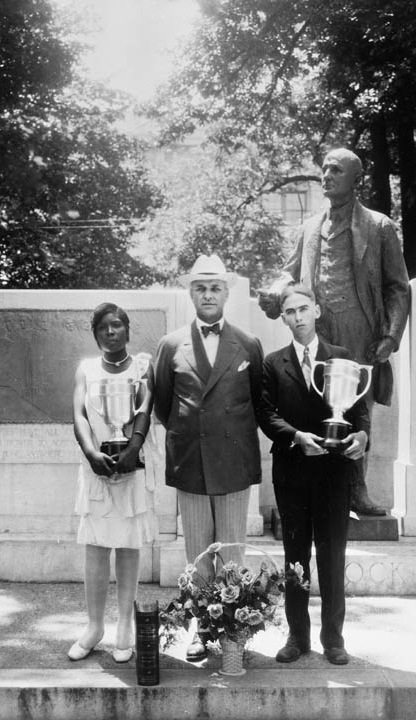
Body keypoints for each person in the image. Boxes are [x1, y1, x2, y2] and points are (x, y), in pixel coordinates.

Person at [258, 147, 410, 516]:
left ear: (356, 180)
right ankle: (311, 489)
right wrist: (277, 290)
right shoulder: (309, 227)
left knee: (357, 412)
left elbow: (397, 287)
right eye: (324, 169)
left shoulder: (378, 226)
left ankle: (356, 491)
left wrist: (390, 337)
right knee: (309, 405)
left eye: (336, 170)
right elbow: (289, 271)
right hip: (316, 329)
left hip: (360, 329)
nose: (326, 175)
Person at [152, 253, 264, 661]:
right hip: (192, 464)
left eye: (215, 287)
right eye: (200, 287)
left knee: (232, 556)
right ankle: (201, 630)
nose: (208, 294)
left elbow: (257, 402)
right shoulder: (170, 345)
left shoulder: (248, 344)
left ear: (226, 292)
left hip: (234, 464)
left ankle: (233, 633)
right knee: (198, 557)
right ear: (190, 293)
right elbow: (164, 406)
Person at [257, 283, 369, 666]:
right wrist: (295, 437)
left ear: (317, 311)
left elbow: (359, 411)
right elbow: (267, 415)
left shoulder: (341, 358)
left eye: (304, 309)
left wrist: (362, 436)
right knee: (295, 558)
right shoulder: (273, 363)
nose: (298, 317)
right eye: (290, 312)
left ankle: (334, 638)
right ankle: (297, 637)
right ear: (283, 318)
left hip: (334, 474)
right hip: (291, 473)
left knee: (333, 555)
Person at [67, 302, 158, 664]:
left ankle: (124, 625)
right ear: (95, 334)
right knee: (95, 546)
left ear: (128, 331)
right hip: (96, 469)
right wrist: (92, 455)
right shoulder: (85, 369)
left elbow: (144, 409)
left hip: (130, 465)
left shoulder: (141, 367)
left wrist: (132, 449)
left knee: (128, 544)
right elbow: (79, 415)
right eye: (103, 327)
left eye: (117, 325)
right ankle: (94, 626)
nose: (110, 332)